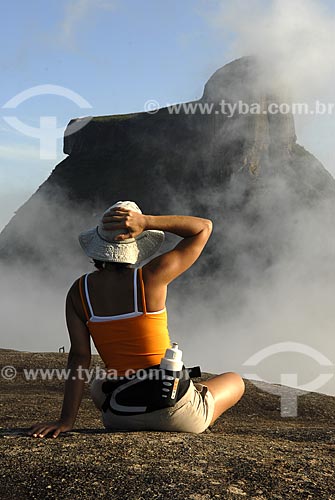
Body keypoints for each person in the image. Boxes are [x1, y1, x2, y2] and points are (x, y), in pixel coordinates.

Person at [28, 201, 245, 438]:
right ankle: (196, 405)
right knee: (235, 380)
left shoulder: (79, 292)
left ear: (98, 247)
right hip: (175, 414)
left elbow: (80, 358)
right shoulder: (150, 278)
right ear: (137, 243)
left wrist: (65, 421)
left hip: (120, 416)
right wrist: (147, 221)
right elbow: (203, 228)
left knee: (100, 382)